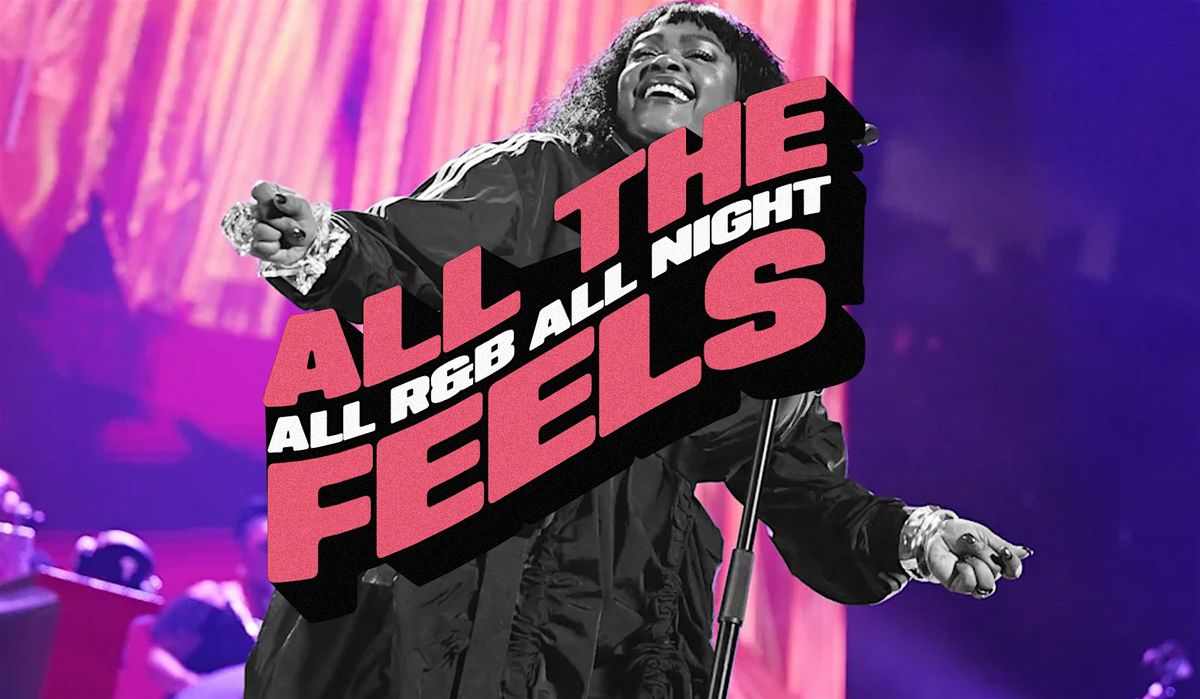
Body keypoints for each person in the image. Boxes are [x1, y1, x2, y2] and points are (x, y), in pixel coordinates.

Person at [227, 5, 1033, 698]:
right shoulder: (540, 176)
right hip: (465, 587)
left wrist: (911, 536)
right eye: (645, 51)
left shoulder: (758, 289)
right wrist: (321, 242)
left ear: (746, 106)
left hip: (623, 627)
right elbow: (410, 262)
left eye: (698, 54)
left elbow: (800, 487)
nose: (664, 61)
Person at [147, 498, 271, 696]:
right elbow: (160, 657)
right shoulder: (211, 601)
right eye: (267, 547)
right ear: (244, 549)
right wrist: (201, 689)